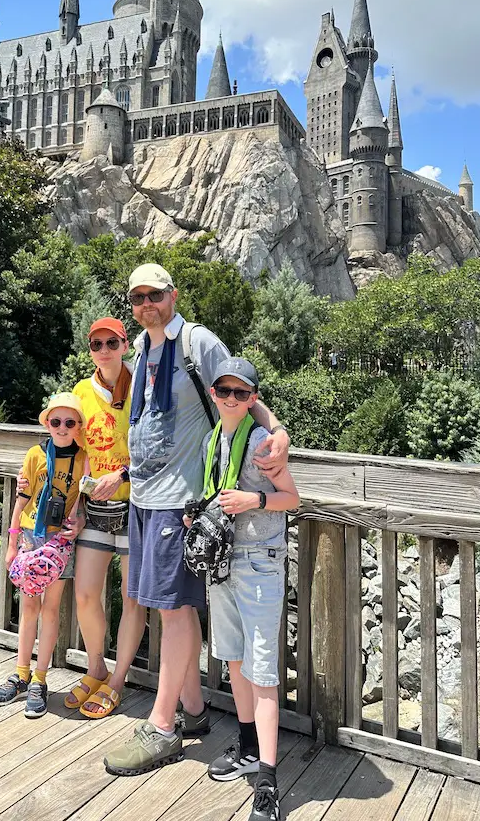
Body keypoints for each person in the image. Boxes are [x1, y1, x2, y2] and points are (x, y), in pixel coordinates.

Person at [103, 264, 291, 777]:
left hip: (179, 502)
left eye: (156, 295)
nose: (147, 304)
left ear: (173, 295)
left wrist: (278, 432)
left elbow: (240, 391)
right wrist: (123, 472)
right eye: (138, 297)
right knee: (162, 604)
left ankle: (163, 726)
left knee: (176, 610)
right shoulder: (141, 349)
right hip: (143, 494)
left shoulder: (197, 342)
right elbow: (151, 425)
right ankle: (193, 710)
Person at [199, 357, 300, 821]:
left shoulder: (261, 443)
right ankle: (245, 745)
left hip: (259, 560)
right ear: (215, 394)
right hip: (223, 558)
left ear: (253, 399)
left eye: (242, 393)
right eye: (225, 391)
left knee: (261, 669)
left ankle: (267, 781)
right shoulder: (212, 439)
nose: (232, 399)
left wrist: (253, 499)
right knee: (235, 658)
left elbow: (292, 499)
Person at [63, 316, 146, 719]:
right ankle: (96, 666)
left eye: (111, 343)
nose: (104, 351)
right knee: (85, 593)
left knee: (132, 599)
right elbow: (78, 453)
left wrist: (124, 474)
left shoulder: (142, 386)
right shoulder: (81, 392)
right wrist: (75, 507)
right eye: (97, 344)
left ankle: (118, 680)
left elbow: (158, 447)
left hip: (135, 507)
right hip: (95, 508)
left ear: (125, 345)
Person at [0, 393, 87, 719]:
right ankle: (21, 672)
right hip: (31, 535)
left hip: (59, 541)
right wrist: (12, 543)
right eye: (55, 421)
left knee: (52, 608)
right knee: (29, 606)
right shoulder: (35, 454)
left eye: (69, 422)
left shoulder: (83, 459)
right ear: (47, 423)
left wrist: (79, 520)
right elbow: (22, 499)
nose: (62, 427)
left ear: (78, 427)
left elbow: (82, 502)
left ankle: (40, 678)